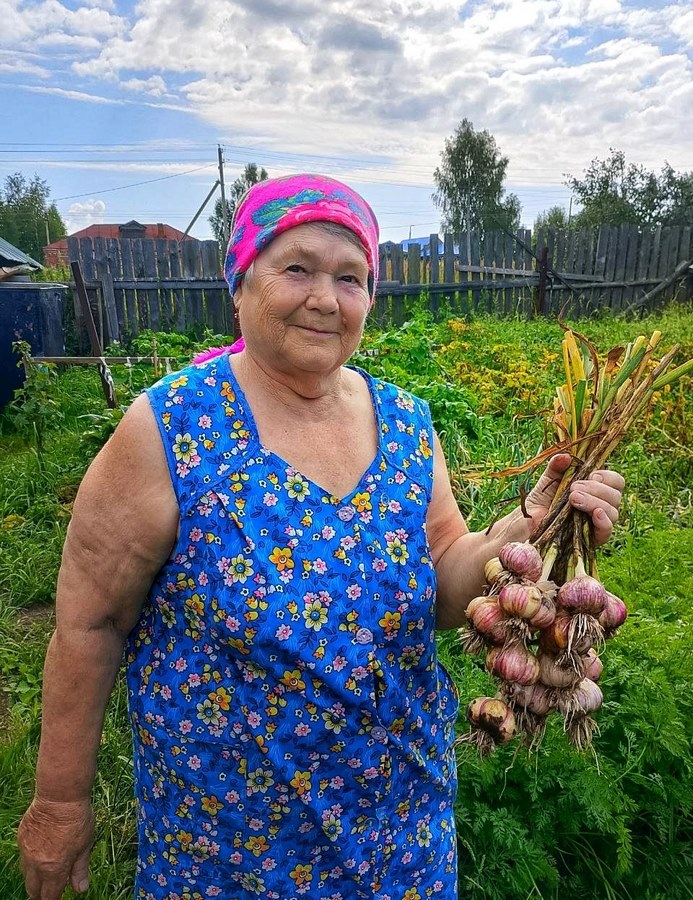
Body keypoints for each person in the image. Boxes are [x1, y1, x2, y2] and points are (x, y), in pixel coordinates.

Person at [17, 174, 624, 900]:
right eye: (297, 267)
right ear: (239, 283)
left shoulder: (404, 421)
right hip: (225, 848)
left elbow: (441, 573)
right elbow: (90, 625)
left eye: (350, 277)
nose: (325, 298)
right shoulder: (172, 427)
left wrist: (525, 524)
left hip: (400, 831)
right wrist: (59, 805)